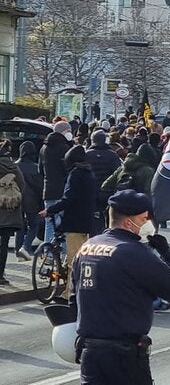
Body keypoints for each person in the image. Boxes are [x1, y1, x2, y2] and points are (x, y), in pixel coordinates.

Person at [71, 190, 170, 385]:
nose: (147, 224)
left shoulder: (87, 247)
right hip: (124, 355)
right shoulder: (133, 251)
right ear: (128, 222)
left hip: (90, 352)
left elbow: (73, 296)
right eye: (143, 219)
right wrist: (168, 254)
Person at [40, 144, 96, 299]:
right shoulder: (89, 174)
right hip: (86, 222)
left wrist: (50, 210)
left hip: (74, 222)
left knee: (73, 260)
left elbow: (68, 198)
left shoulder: (75, 174)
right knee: (80, 257)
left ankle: (69, 294)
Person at [40, 120, 73, 242]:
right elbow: (68, 168)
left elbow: (40, 170)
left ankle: (48, 252)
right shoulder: (64, 147)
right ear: (64, 132)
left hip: (48, 189)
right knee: (61, 223)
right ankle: (62, 253)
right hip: (62, 189)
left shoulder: (44, 148)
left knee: (49, 222)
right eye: (69, 131)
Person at [85, 130, 121, 236]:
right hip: (107, 192)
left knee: (93, 218)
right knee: (108, 217)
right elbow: (117, 173)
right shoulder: (112, 155)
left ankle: (94, 237)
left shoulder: (86, 155)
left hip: (89, 191)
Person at [0, 141, 25, 285]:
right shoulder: (13, 166)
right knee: (3, 244)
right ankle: (1, 275)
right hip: (9, 210)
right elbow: (22, 184)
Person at [14, 141, 43, 262]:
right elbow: (39, 187)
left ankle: (17, 251)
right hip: (32, 201)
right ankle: (25, 247)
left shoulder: (14, 166)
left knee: (19, 226)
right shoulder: (35, 168)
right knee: (33, 225)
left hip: (16, 200)